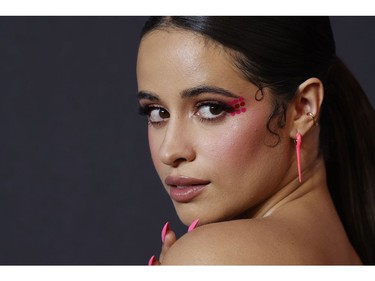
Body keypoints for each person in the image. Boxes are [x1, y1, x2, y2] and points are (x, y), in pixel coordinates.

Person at [136, 16, 375, 265]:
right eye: (157, 112)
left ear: (303, 109)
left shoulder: (211, 258)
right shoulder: (342, 252)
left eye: (211, 108)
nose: (170, 150)